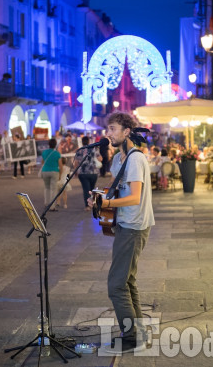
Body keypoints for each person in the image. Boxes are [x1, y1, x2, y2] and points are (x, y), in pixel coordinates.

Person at [87, 112, 154, 354]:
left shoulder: (136, 159)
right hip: (124, 223)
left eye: (113, 129)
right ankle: (137, 332)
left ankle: (131, 336)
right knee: (127, 281)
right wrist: (98, 197)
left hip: (135, 225)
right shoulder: (118, 157)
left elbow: (134, 197)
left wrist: (106, 205)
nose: (108, 133)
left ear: (126, 131)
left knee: (116, 285)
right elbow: (113, 189)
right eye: (108, 129)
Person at [73, 136, 103, 211]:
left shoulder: (79, 150)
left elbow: (76, 162)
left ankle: (87, 206)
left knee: (86, 189)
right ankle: (93, 204)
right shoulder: (94, 149)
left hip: (83, 173)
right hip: (94, 173)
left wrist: (76, 172)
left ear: (82, 142)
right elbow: (100, 158)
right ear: (89, 141)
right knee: (92, 189)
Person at [40, 138, 61, 211]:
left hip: (45, 171)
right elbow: (60, 165)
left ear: (48, 144)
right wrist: (60, 174)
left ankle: (46, 203)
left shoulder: (44, 152)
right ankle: (52, 206)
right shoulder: (57, 153)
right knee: (53, 189)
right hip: (54, 171)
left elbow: (42, 162)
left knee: (47, 188)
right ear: (55, 145)